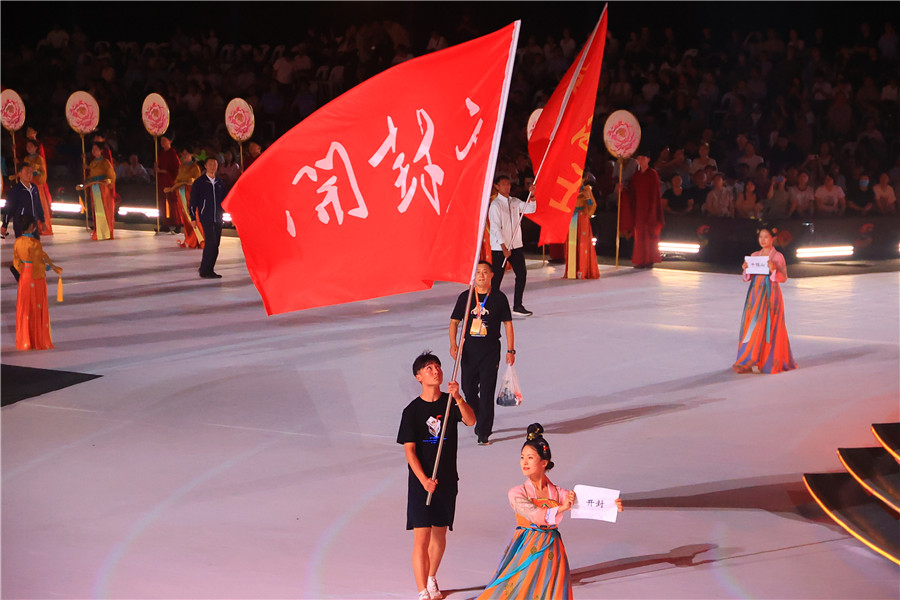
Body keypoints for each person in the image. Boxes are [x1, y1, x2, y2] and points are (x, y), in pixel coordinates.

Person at [477, 423, 623, 600]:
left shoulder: (558, 492)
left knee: (551, 589)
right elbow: (534, 514)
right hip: (527, 545)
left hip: (552, 547)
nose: (524, 462)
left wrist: (611, 505)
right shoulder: (517, 493)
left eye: (530, 458)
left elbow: (582, 502)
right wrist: (561, 508)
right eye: (522, 457)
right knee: (519, 587)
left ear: (544, 462)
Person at [397, 352, 476, 600]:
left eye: (438, 366)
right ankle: (422, 590)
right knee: (421, 535)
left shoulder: (450, 402)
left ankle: (432, 577)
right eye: (429, 368)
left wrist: (458, 397)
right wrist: (423, 480)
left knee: (440, 533)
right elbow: (409, 451)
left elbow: (471, 421)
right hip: (422, 483)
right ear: (418, 377)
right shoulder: (411, 411)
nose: (436, 371)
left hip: (447, 479)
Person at [449, 261, 515, 446]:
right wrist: (453, 344)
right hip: (469, 351)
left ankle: (483, 431)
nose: (481, 275)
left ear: (492, 275)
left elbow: (508, 324)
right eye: (478, 272)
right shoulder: (466, 297)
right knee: (468, 390)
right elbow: (454, 322)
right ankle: (479, 416)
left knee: (487, 392)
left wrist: (511, 349)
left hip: (490, 351)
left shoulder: (499, 298)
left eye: (485, 272)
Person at [734, 224, 797, 374]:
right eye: (760, 237)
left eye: (766, 237)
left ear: (773, 239)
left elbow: (783, 278)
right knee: (753, 325)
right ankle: (749, 358)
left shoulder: (777, 256)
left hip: (771, 294)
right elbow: (748, 277)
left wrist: (773, 270)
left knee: (770, 325)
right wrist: (745, 268)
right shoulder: (755, 255)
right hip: (755, 295)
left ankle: (769, 360)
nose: (763, 240)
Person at [13, 215, 62, 351]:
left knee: (25, 306)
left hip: (25, 276)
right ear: (32, 227)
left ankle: (25, 339)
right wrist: (46, 268)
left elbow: (16, 262)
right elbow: (38, 263)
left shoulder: (18, 242)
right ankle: (37, 339)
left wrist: (24, 270)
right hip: (36, 276)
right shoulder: (34, 243)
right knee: (36, 306)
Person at [489, 175, 536, 316]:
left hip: (515, 246)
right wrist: (503, 247)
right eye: (503, 184)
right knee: (497, 278)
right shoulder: (495, 205)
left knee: (521, 274)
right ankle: (492, 306)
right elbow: (495, 228)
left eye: (508, 184)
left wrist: (532, 195)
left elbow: (530, 209)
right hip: (500, 248)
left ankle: (517, 305)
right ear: (497, 186)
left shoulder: (514, 202)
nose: (507, 187)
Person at [620, 154, 665, 268]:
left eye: (643, 158)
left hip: (650, 209)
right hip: (639, 210)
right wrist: (623, 190)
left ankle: (649, 259)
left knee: (650, 236)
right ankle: (640, 260)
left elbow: (655, 194)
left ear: (648, 159)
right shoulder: (636, 176)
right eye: (639, 158)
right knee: (639, 236)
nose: (641, 160)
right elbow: (632, 194)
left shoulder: (652, 174)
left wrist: (653, 211)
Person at [189, 156, 226, 278]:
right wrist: (193, 217)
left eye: (215, 164)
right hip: (206, 217)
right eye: (210, 164)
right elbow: (193, 201)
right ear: (205, 166)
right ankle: (205, 270)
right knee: (211, 243)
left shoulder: (220, 183)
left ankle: (209, 268)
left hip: (218, 217)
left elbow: (225, 201)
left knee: (216, 245)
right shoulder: (199, 183)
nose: (212, 166)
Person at [168, 149, 204, 249]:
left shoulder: (195, 167)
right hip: (181, 193)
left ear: (191, 154)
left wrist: (190, 181)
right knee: (185, 218)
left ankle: (199, 239)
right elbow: (178, 180)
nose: (184, 156)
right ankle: (189, 239)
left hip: (190, 194)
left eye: (186, 154)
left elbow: (197, 181)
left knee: (193, 217)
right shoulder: (182, 166)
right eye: (183, 154)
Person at [85, 142, 117, 241]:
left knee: (104, 208)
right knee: (96, 210)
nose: (94, 151)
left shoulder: (105, 162)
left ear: (101, 151)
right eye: (93, 149)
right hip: (94, 188)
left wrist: (108, 181)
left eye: (96, 149)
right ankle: (98, 230)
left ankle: (106, 231)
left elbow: (111, 175)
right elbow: (91, 174)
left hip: (102, 188)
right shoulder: (93, 162)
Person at [23, 139, 53, 236]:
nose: (29, 148)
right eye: (27, 146)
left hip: (36, 185)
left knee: (39, 205)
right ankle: (29, 227)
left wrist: (34, 171)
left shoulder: (39, 158)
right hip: (28, 184)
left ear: (36, 147)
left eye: (31, 146)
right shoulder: (26, 159)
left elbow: (42, 172)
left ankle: (42, 227)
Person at [155, 136, 180, 234]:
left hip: (170, 181)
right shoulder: (160, 153)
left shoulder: (172, 153)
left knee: (172, 202)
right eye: (161, 140)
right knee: (162, 201)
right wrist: (156, 167)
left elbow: (176, 169)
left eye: (164, 140)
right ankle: (165, 223)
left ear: (170, 141)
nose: (162, 142)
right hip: (162, 180)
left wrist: (162, 170)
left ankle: (177, 223)